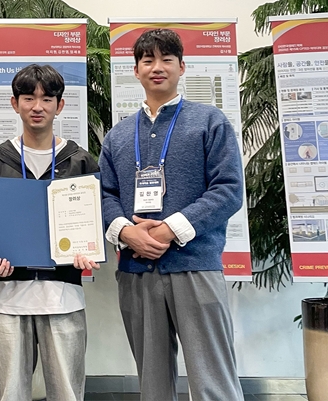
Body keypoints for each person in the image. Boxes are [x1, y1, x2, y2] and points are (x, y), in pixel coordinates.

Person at [98, 29, 245, 401]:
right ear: (136, 70)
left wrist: (169, 229)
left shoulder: (210, 122)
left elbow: (228, 189)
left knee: (213, 379)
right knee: (152, 383)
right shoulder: (118, 135)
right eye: (148, 60)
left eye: (166, 59)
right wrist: (125, 232)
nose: (157, 67)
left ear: (182, 66)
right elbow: (104, 194)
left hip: (195, 266)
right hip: (136, 270)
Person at [0, 64, 100, 401]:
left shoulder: (80, 162)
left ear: (59, 105)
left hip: (64, 297)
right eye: (28, 98)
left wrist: (89, 249)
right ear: (15, 103)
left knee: (67, 393)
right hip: (8, 297)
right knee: (10, 394)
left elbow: (95, 219)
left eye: (47, 99)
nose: (38, 106)